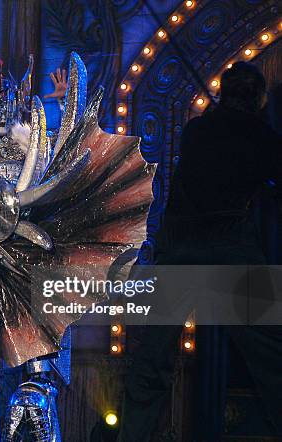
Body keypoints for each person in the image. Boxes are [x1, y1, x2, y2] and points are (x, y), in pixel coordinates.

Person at [117, 62, 282, 441]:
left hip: (179, 252)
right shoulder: (264, 138)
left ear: (223, 95)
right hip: (229, 248)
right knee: (271, 356)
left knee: (152, 360)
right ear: (259, 100)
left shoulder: (196, 130)